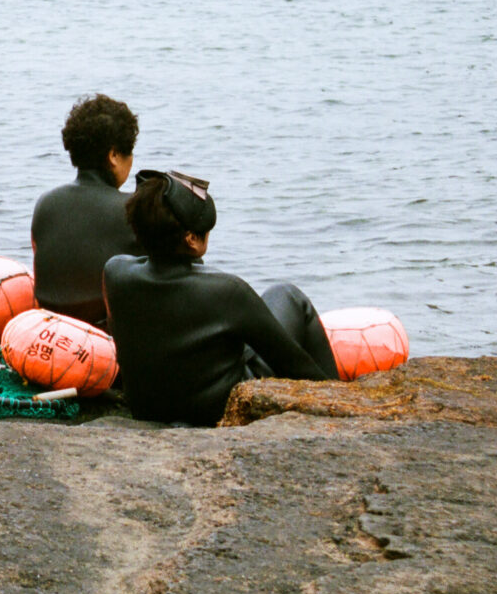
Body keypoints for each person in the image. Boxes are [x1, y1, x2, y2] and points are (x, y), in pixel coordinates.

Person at [102, 169, 338, 426]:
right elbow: (293, 364)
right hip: (219, 410)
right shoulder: (227, 291)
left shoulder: (115, 272)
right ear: (191, 239)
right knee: (287, 296)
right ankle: (338, 396)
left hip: (149, 409)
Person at [30, 94, 141, 326]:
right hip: (103, 334)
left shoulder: (45, 204)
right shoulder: (134, 209)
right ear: (113, 156)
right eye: (129, 151)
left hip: (52, 327)